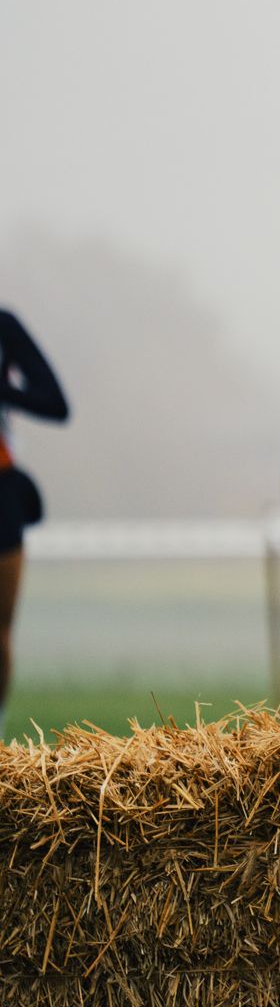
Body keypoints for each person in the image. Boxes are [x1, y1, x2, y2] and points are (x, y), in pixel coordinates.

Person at [0, 310, 71, 740]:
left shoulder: (4, 327)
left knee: (0, 630)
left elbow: (55, 402)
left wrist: (5, 391)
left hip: (1, 486)